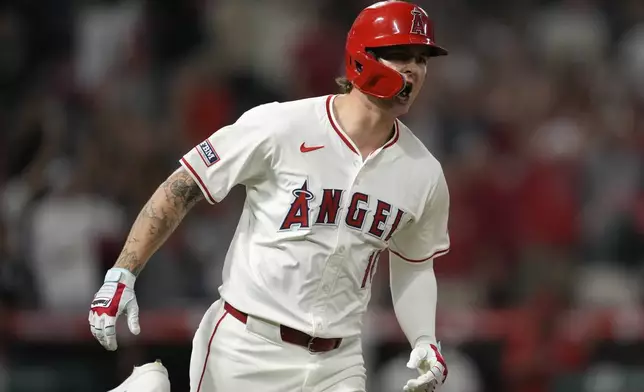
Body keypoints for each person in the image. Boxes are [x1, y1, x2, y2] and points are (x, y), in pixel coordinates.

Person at [89, 1, 451, 391]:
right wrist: (122, 272)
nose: (415, 69)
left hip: (338, 361)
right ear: (362, 57)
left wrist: (423, 339)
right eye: (400, 55)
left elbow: (413, 265)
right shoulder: (281, 126)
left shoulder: (423, 171)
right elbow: (183, 186)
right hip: (247, 347)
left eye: (422, 59)